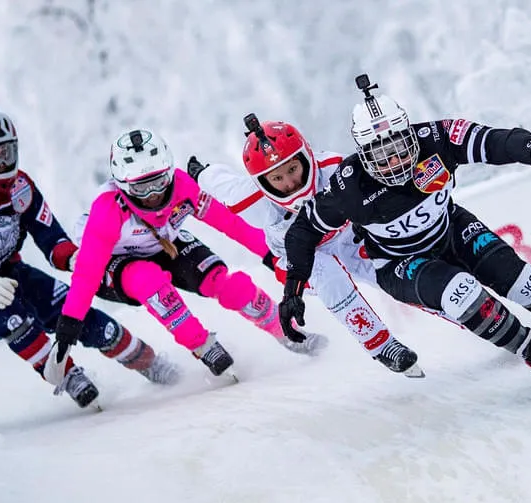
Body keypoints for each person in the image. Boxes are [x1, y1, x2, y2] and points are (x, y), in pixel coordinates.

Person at [280, 74, 531, 385]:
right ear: (363, 155)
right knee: (461, 293)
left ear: (411, 135)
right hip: (399, 264)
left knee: (525, 282)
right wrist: (293, 289)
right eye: (381, 155)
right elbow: (301, 233)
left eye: (401, 147)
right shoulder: (349, 185)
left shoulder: (438, 137)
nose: (395, 162)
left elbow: (499, 141)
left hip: (452, 230)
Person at [0, 97, 178, 409]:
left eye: (7, 152)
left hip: (7, 274)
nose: (1, 164)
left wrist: (74, 257)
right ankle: (69, 377)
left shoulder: (20, 186)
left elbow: (51, 238)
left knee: (73, 309)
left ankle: (150, 363)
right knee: (11, 314)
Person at [47, 128, 326, 379]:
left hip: (163, 242)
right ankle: (201, 344)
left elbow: (232, 223)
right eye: (141, 188)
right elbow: (87, 274)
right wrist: (67, 330)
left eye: (159, 181)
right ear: (122, 186)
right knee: (149, 280)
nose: (153, 195)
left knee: (226, 283)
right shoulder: (107, 210)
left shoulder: (182, 186)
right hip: (112, 263)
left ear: (170, 171)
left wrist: (274, 257)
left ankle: (286, 331)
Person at [187, 113, 421, 376]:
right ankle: (382, 346)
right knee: (328, 274)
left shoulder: (334, 167)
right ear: (261, 184)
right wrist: (200, 172)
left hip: (346, 240)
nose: (289, 183)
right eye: (276, 179)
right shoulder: (248, 200)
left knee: (392, 274)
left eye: (292, 169)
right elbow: (221, 184)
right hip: (297, 261)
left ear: (307, 158)